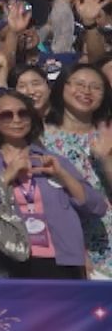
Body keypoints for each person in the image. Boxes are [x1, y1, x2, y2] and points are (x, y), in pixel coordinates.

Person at [0, 90, 109, 279]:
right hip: (12, 257)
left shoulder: (52, 159)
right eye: (7, 115)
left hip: (63, 259)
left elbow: (97, 207)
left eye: (23, 113)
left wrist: (64, 175)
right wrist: (5, 177)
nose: (17, 119)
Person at [43, 63, 112, 279]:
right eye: (79, 84)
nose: (86, 91)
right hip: (62, 242)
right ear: (62, 87)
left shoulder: (108, 134)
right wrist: (75, 248)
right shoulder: (41, 137)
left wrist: (106, 158)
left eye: (96, 87)